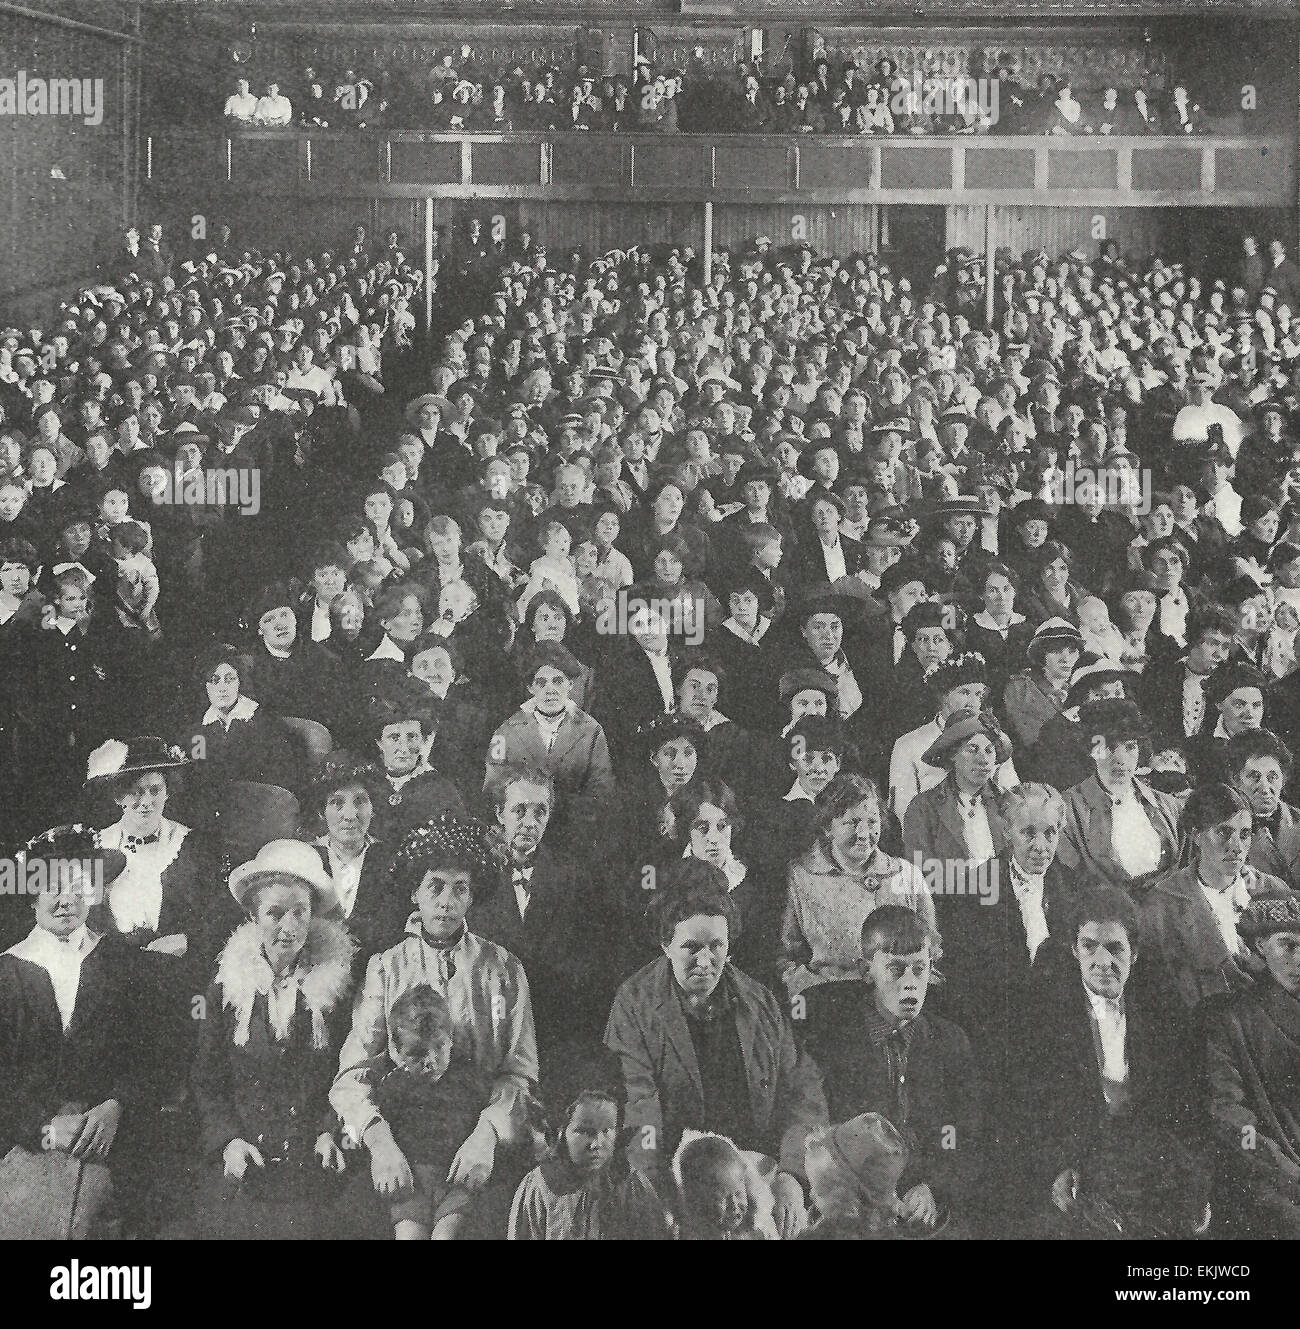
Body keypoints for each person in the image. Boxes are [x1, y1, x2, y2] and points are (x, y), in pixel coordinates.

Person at [331, 813, 538, 1239]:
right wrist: (378, 1140)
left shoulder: (503, 970)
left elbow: (519, 1073)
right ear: (416, 894)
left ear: (472, 896)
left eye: (459, 889)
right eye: (435, 887)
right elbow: (352, 1075)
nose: (446, 901)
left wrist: (487, 1133)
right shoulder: (386, 968)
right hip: (404, 1143)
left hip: (477, 1144)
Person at [604, 876, 826, 1238]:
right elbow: (639, 1103)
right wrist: (653, 1194)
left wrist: (792, 1175)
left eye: (716, 946)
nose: (705, 961)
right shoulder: (635, 1004)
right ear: (666, 944)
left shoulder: (759, 1001)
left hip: (756, 1173)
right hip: (675, 1177)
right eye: (691, 947)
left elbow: (803, 1089)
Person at [1015, 885, 1212, 1238]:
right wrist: (1056, 1166)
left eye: (1116, 948)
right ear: (1075, 950)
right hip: (1081, 1153)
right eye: (1090, 947)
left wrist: (1195, 1181)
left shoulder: (1164, 1009)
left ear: (1134, 953)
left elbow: (1190, 1102)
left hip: (1151, 1155)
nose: (1103, 962)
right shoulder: (1044, 1014)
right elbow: (1030, 1103)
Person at [188, 840, 355, 1239]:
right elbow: (207, 1080)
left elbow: (349, 1073)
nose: (289, 927)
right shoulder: (226, 989)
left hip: (312, 1156)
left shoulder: (336, 993)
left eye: (300, 913)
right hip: (246, 1155)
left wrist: (329, 1130)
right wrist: (228, 1141)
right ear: (252, 915)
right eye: (275, 913)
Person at [0, 827, 149, 1237]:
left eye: (76, 885)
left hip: (110, 1143)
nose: (65, 899)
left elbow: (151, 1055)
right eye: (51, 887)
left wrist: (117, 1104)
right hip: (23, 1147)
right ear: (32, 895)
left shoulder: (120, 960)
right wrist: (41, 1127)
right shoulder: (7, 971)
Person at [805, 905, 984, 1235]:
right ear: (866, 969)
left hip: (929, 1207)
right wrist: (877, 1197)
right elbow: (824, 1137)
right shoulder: (834, 1043)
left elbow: (965, 1133)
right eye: (896, 970)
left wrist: (934, 1187)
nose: (910, 984)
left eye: (919, 969)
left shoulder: (949, 1042)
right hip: (857, 1206)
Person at [781, 773, 935, 1002]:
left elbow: (932, 948)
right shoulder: (801, 876)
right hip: (830, 1000)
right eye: (851, 823)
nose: (864, 834)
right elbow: (786, 956)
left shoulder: (907, 875)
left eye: (872, 822)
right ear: (827, 828)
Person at [1140, 784, 1283, 1014]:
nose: (1236, 847)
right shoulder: (1162, 904)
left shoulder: (1273, 890)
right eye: (1224, 832)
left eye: (1244, 834)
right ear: (1195, 833)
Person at [1206, 889, 1300, 1237]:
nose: (1299, 958)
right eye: (1287, 945)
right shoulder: (1229, 1019)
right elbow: (1231, 1119)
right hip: (1269, 1175)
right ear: (1260, 946)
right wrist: (1280, 1166)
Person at [371, 983, 492, 1239]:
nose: (431, 1061)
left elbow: (495, 1115)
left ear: (451, 1040)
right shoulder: (393, 1085)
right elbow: (360, 1117)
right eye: (416, 1054)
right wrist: (329, 1134)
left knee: (446, 1236)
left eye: (439, 1047)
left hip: (455, 1183)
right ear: (398, 1052)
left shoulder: (470, 1080)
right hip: (413, 1184)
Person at [508, 1081, 671, 1240]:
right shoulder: (539, 1186)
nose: (596, 1144)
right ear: (561, 1132)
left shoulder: (632, 1184)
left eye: (607, 1131)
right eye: (584, 1131)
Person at [1058, 699, 1181, 892]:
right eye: (1108, 747)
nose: (1121, 760)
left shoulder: (1167, 805)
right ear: (1092, 750)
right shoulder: (1067, 809)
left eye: (1130, 747)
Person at [903, 708, 1013, 871]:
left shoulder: (1008, 804)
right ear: (952, 755)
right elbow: (921, 876)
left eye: (989, 751)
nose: (983, 760)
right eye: (972, 749)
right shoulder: (923, 808)